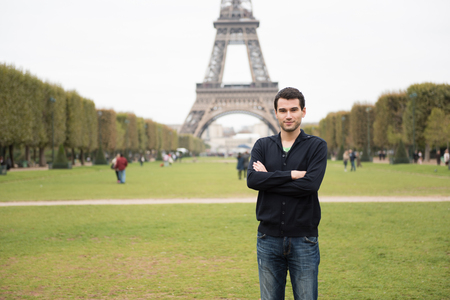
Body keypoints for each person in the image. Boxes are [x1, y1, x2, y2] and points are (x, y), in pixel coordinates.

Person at [247, 87, 327, 300]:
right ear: (275, 113)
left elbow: (310, 186)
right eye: (283, 110)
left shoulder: (317, 146)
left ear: (303, 111)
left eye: (294, 109)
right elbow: (253, 180)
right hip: (268, 239)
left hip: (304, 239)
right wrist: (291, 175)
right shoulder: (262, 146)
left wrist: (269, 179)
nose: (288, 115)